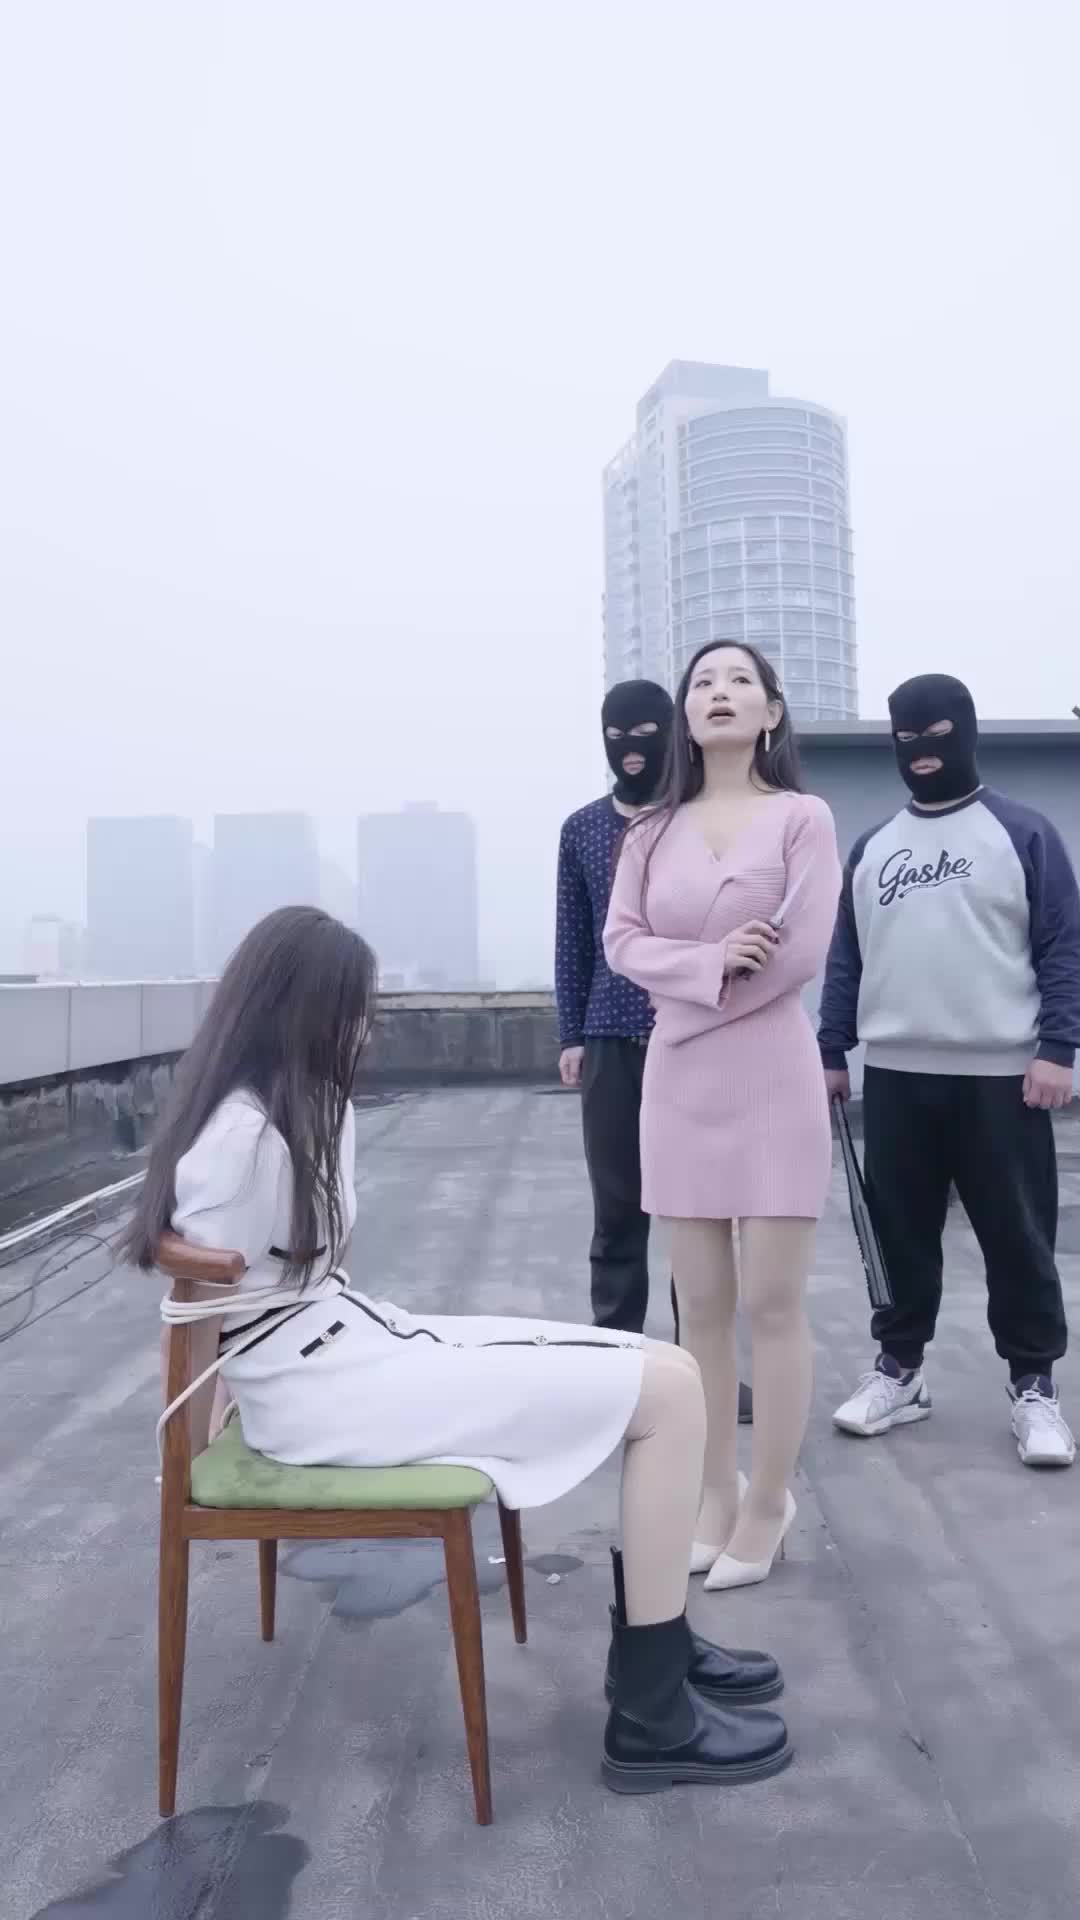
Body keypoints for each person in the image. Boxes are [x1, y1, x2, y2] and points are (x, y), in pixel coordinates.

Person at [130, 906, 792, 1794]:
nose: (364, 1030)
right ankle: (651, 1715)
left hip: (350, 1355)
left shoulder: (296, 1105)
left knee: (668, 1369)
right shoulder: (241, 1137)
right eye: (353, 1009)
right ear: (302, 1009)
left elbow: (257, 1290)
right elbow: (200, 1306)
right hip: (326, 1398)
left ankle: (659, 1643)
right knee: (666, 1395)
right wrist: (189, 1458)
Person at [604, 644, 841, 1592]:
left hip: (773, 1075)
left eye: (740, 680)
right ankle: (715, 1492)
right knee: (698, 1307)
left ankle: (770, 1501)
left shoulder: (802, 818)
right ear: (685, 715)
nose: (720, 693)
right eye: (703, 682)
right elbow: (623, 943)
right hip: (679, 1086)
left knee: (772, 1305)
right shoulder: (649, 833)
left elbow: (802, 950)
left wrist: (694, 1005)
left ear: (772, 711)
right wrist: (704, 970)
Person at [819, 673, 1079, 1469]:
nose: (921, 752)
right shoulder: (874, 848)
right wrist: (830, 1048)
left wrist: (1058, 1048)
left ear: (964, 733)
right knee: (900, 1236)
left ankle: (1033, 1385)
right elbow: (847, 954)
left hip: (1004, 1077)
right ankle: (901, 1371)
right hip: (897, 1076)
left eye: (935, 736)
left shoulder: (1022, 833)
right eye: (906, 739)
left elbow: (1062, 945)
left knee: (1018, 1235)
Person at [556, 680, 753, 1416]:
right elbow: (573, 939)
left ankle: (702, 1370)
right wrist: (571, 1033)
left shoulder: (698, 820)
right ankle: (614, 1367)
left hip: (693, 1034)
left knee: (697, 1213)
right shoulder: (582, 829)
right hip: (610, 1041)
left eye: (645, 732)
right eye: (616, 736)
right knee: (617, 1212)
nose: (631, 749)